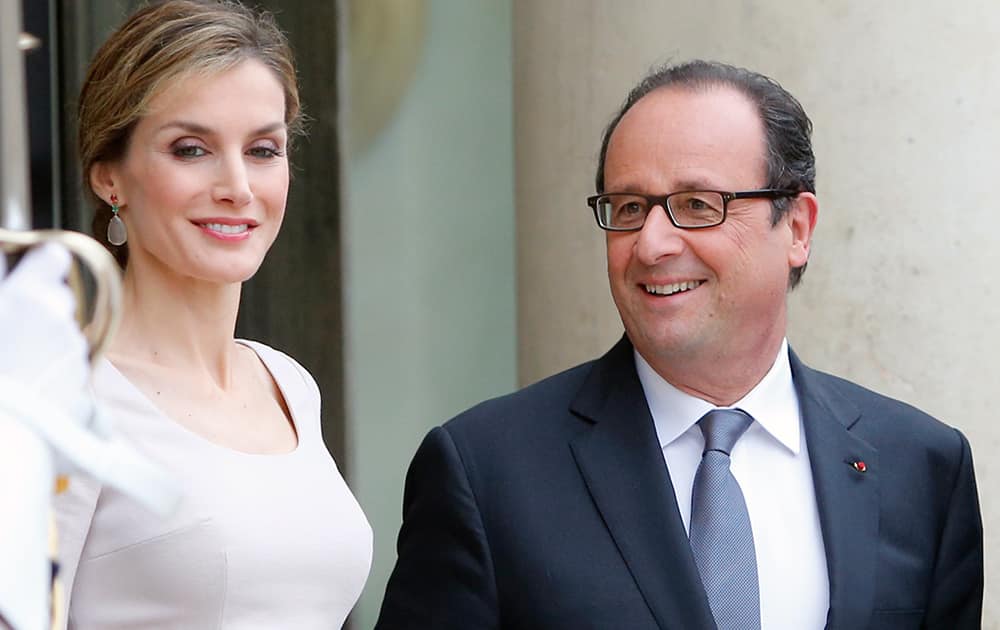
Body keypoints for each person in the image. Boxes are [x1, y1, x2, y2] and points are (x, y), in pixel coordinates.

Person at [375, 60, 983, 629]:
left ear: (796, 229)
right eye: (630, 207)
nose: (651, 243)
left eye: (697, 205)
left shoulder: (922, 469)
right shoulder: (486, 472)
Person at [55, 2, 371, 628]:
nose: (238, 186)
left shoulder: (288, 384)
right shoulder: (61, 394)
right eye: (191, 148)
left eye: (262, 149)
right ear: (109, 176)